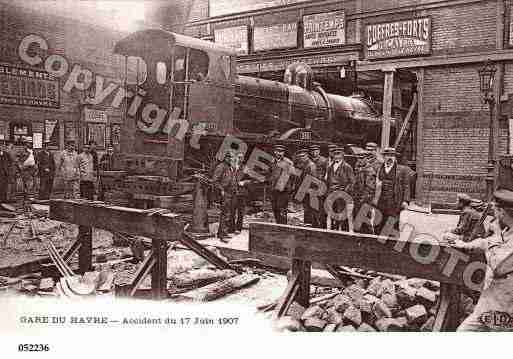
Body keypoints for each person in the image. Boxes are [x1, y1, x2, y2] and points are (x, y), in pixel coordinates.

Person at [455, 188, 513, 331]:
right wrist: (465, 244)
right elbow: (486, 242)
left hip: (504, 304)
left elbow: (498, 265)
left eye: (496, 210)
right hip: (490, 300)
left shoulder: (505, 234)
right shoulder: (507, 231)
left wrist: (497, 232)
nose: (494, 215)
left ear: (502, 212)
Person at [372, 147, 411, 233]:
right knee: (378, 223)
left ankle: (391, 243)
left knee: (392, 225)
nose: (390, 157)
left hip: (394, 201)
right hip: (380, 201)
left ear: (395, 157)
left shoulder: (402, 170)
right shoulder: (378, 168)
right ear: (384, 157)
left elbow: (406, 186)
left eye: (392, 155)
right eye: (388, 155)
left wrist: (405, 201)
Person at [326, 146, 355, 231]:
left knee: (341, 213)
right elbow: (328, 181)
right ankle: (333, 229)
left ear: (342, 155)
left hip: (342, 194)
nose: (336, 156)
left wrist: (345, 191)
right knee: (332, 213)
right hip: (331, 193)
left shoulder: (347, 167)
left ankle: (341, 230)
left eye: (338, 154)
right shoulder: (330, 167)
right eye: (335, 154)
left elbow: (352, 182)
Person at [212, 152, 237, 240]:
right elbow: (215, 181)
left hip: (232, 193)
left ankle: (223, 232)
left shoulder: (231, 167)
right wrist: (221, 190)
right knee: (225, 213)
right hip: (226, 192)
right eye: (230, 158)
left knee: (229, 213)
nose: (231, 159)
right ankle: (223, 234)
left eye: (232, 158)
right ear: (225, 158)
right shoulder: (221, 167)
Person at [267, 144, 294, 225]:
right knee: (275, 209)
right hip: (273, 189)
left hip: (283, 191)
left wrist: (288, 188)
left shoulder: (288, 162)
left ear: (283, 153)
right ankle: (278, 226)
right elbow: (269, 174)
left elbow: (293, 176)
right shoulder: (272, 162)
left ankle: (283, 227)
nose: (279, 153)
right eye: (278, 151)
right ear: (275, 152)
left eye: (281, 152)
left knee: (282, 209)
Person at [295, 148, 320, 227]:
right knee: (307, 208)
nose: (301, 158)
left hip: (310, 190)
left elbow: (312, 179)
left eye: (303, 156)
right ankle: (308, 224)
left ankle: (313, 225)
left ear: (307, 156)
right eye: (300, 156)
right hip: (306, 190)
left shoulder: (311, 165)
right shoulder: (304, 165)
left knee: (311, 209)